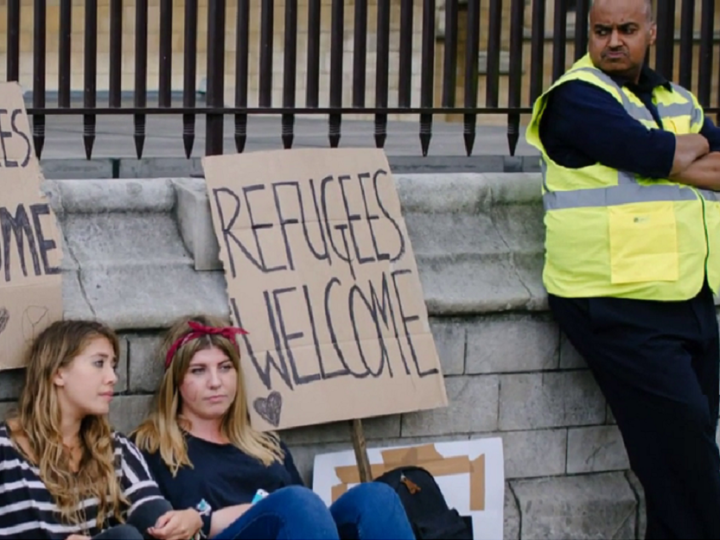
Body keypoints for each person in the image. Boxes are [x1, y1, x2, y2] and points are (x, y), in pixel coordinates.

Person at [525, 0, 720, 538]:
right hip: (614, 302)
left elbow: (665, 157)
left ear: (651, 32)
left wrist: (675, 156)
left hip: (687, 298)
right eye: (601, 30)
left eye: (627, 30)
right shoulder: (575, 98)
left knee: (683, 467)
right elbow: (642, 150)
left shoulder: (676, 99)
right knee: (692, 474)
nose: (614, 41)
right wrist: (679, 152)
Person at [132, 315, 415, 540]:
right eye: (198, 370)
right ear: (176, 381)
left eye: (225, 367)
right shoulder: (151, 446)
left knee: (376, 497)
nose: (215, 382)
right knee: (295, 503)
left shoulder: (264, 441)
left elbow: (310, 519)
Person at [0, 320, 203, 540]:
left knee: (146, 523)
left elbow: (149, 508)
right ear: (58, 373)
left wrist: (184, 524)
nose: (112, 377)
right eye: (99, 363)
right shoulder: (5, 449)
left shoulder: (115, 448)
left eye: (113, 366)